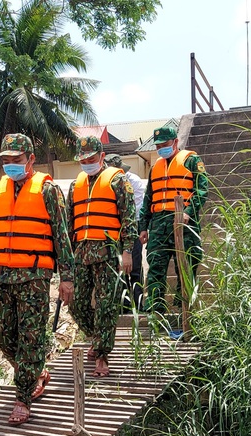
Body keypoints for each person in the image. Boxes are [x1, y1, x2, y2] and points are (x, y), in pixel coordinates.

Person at [0, 133, 74, 426]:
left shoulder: (49, 190)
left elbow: (62, 237)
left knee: (30, 341)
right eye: (7, 161)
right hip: (1, 277)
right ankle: (37, 372)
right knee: (5, 340)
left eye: (17, 160)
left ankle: (23, 398)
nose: (11, 165)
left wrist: (67, 278)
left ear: (30, 160)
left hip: (34, 278)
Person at [69, 138, 136, 377]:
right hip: (81, 253)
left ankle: (102, 356)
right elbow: (70, 221)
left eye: (91, 159)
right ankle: (98, 340)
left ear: (102, 155)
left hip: (108, 253)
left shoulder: (118, 180)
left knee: (106, 306)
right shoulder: (76, 184)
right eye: (83, 160)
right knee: (76, 304)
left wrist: (127, 251)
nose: (87, 163)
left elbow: (129, 217)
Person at [137, 126, 208, 336]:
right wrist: (143, 226)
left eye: (165, 145)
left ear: (175, 143)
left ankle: (186, 319)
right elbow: (148, 198)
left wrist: (188, 212)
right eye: (158, 146)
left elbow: (201, 190)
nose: (161, 150)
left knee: (185, 269)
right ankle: (156, 321)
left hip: (183, 222)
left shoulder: (192, 161)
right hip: (158, 224)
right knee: (156, 271)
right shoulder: (156, 167)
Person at [105, 153, 146, 312]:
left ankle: (139, 304)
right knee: (118, 271)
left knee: (135, 269)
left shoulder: (132, 180)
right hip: (114, 231)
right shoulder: (104, 182)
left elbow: (135, 208)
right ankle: (125, 307)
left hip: (132, 228)